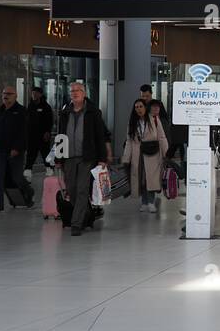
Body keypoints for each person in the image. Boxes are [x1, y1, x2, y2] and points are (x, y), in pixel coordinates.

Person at [55, 81, 112, 236]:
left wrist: (102, 158)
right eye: (72, 91)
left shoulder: (93, 112)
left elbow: (100, 136)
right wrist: (58, 158)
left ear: (84, 93)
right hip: (68, 157)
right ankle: (87, 214)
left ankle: (76, 223)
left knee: (81, 189)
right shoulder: (65, 112)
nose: (74, 93)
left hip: (87, 157)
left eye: (78, 90)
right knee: (71, 190)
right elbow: (60, 135)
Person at [121, 98, 168, 213]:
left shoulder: (154, 120)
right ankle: (144, 202)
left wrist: (166, 154)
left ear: (145, 107)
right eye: (136, 107)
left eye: (141, 106)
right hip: (138, 154)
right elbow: (129, 141)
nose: (139, 109)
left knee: (150, 179)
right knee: (140, 178)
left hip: (152, 154)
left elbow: (161, 137)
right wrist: (126, 158)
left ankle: (151, 202)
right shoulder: (132, 122)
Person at [0, 86, 31, 213]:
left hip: (15, 150)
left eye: (9, 94)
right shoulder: (0, 110)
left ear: (15, 96)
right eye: (4, 93)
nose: (6, 96)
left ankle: (29, 191)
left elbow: (24, 132)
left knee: (16, 176)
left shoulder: (21, 111)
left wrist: (17, 148)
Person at [24, 86, 54, 170]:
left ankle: (50, 171)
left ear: (40, 95)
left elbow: (49, 121)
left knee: (46, 155)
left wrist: (47, 132)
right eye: (33, 93)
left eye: (36, 93)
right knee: (30, 156)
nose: (34, 95)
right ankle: (27, 174)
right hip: (31, 136)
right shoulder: (30, 106)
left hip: (42, 136)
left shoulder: (46, 107)